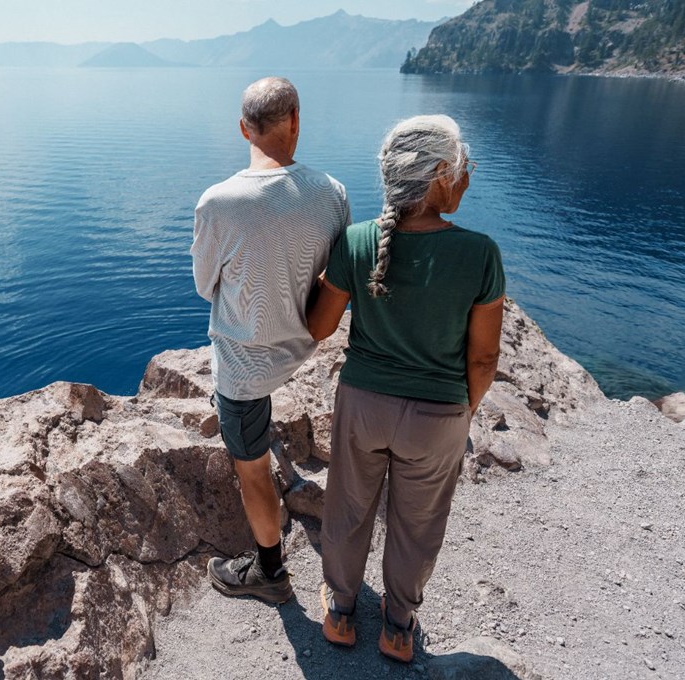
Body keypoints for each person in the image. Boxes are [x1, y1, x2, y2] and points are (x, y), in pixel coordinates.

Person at [306, 114, 505, 662]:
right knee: (418, 524)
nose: (468, 178)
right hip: (439, 416)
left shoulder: (357, 241)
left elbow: (320, 328)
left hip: (364, 404)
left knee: (348, 507)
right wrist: (461, 411)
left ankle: (341, 613)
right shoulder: (481, 253)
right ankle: (397, 626)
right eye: (465, 168)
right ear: (440, 174)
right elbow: (484, 358)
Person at [191, 77, 351, 604]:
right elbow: (335, 276)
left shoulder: (219, 201)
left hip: (244, 367)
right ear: (296, 121)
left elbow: (203, 285)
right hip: (304, 345)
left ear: (243, 129)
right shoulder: (332, 193)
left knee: (251, 467)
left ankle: (269, 573)